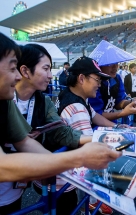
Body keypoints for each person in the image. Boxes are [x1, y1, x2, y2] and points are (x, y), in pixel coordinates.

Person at [0, 32, 121, 215]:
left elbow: (25, 140)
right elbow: (3, 166)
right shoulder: (10, 99)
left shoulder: (31, 101)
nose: (51, 76)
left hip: (15, 189)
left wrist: (96, 140)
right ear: (26, 71)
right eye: (12, 69)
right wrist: (77, 158)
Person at [57, 56, 128, 215]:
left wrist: (116, 127)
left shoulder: (73, 95)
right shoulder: (77, 108)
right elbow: (91, 149)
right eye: (97, 79)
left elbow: (95, 116)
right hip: (62, 181)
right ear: (81, 78)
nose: (99, 84)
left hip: (59, 172)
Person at [89, 41, 136, 124]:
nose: (115, 67)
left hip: (113, 123)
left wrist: (133, 101)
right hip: (95, 127)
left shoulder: (117, 78)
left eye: (116, 62)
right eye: (110, 64)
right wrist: (123, 113)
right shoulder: (93, 83)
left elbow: (118, 103)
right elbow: (96, 115)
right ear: (99, 65)